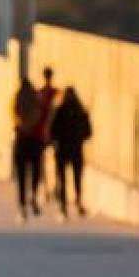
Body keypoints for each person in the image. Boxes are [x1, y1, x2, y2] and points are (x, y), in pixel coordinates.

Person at [49, 86, 93, 218]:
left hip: (62, 150)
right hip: (76, 149)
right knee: (76, 178)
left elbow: (52, 131)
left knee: (62, 178)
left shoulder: (59, 111)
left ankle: (63, 207)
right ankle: (78, 201)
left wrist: (56, 141)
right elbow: (88, 132)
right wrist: (78, 138)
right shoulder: (81, 112)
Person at [10, 78, 42, 221]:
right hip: (35, 141)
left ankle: (22, 206)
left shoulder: (16, 98)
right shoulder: (36, 99)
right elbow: (40, 115)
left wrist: (22, 126)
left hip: (21, 141)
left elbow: (13, 115)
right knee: (35, 171)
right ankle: (34, 193)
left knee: (22, 176)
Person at [33, 67, 59, 207]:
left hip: (43, 133)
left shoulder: (41, 94)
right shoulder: (53, 93)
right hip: (49, 134)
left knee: (44, 163)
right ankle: (48, 189)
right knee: (48, 163)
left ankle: (48, 189)